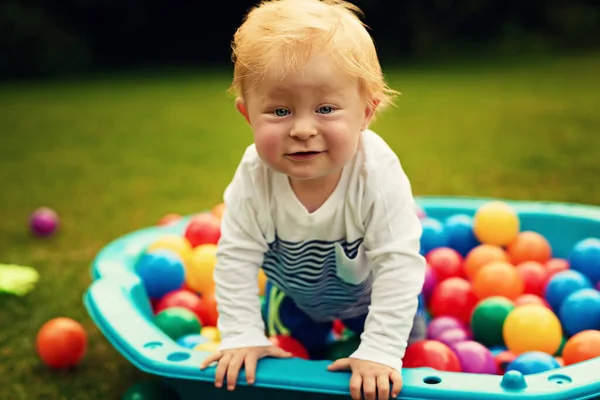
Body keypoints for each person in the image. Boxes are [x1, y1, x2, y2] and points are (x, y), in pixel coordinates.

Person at [200, 0, 427, 399]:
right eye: (280, 110)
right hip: (296, 298)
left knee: (410, 355)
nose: (303, 129)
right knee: (298, 361)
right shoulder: (255, 174)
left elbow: (398, 263)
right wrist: (241, 334)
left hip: (373, 296)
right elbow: (236, 256)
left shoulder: (375, 172)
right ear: (247, 115)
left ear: (366, 113)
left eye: (325, 108)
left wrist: (381, 350)